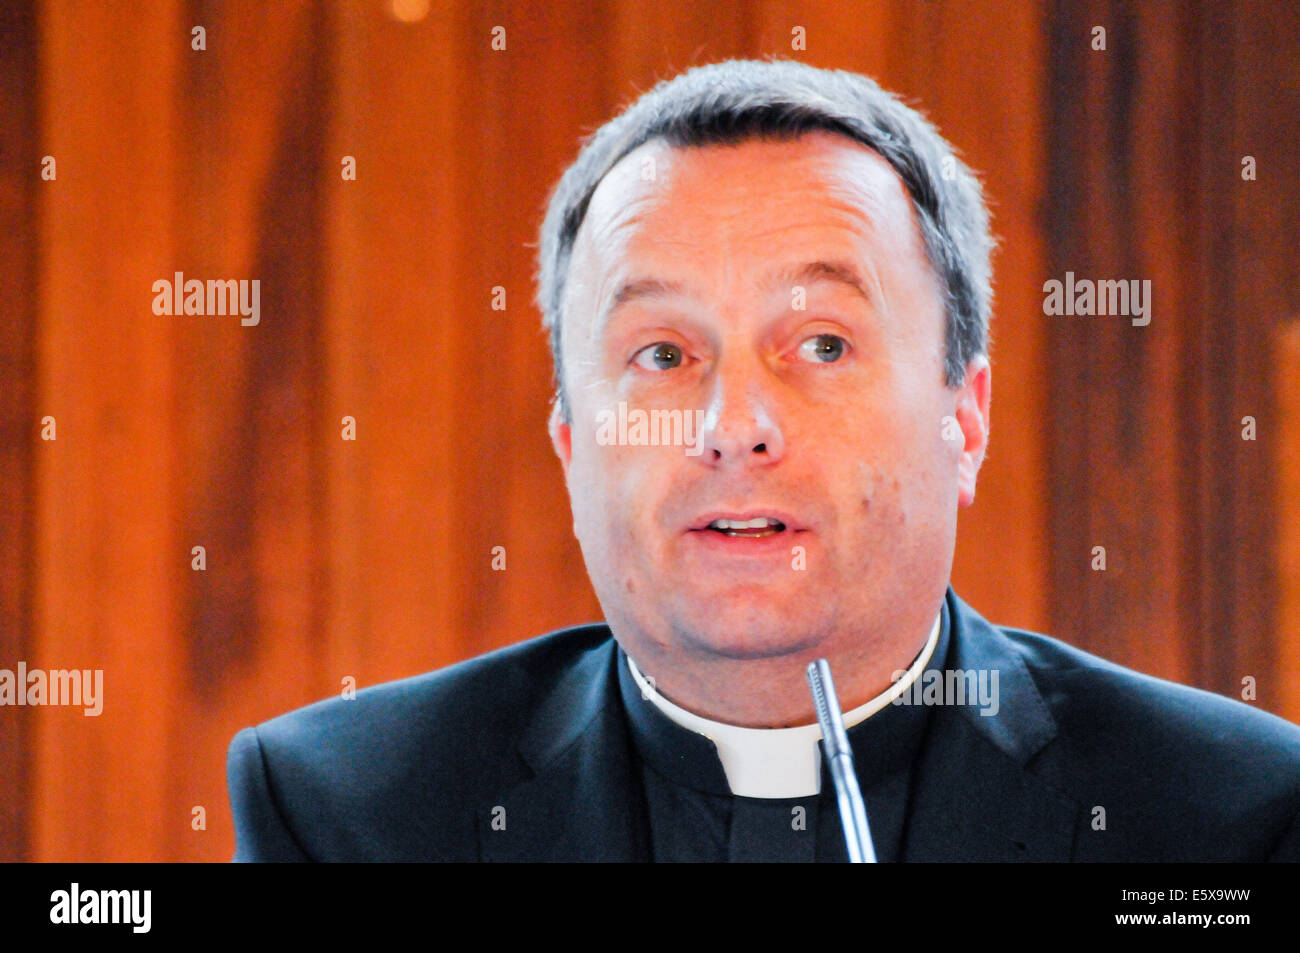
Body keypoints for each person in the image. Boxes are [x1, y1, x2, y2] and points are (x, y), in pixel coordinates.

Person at [227, 58, 1300, 862]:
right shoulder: (346, 814)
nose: (734, 423)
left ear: (963, 419)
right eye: (662, 352)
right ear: (570, 446)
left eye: (822, 344)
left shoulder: (1229, 815)